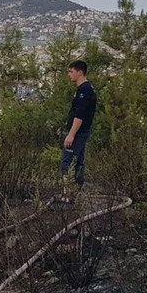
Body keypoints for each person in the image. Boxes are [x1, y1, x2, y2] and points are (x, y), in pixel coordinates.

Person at [60, 60, 97, 202]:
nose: (69, 74)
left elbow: (80, 115)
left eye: (71, 71)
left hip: (78, 133)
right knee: (79, 163)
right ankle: (77, 194)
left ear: (80, 72)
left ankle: (69, 196)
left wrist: (71, 134)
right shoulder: (87, 89)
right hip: (82, 132)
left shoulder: (84, 90)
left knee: (68, 163)